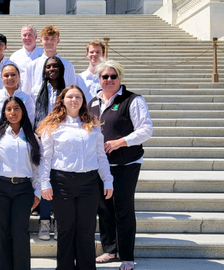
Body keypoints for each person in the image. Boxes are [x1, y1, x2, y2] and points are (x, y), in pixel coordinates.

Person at [37, 85, 114, 270]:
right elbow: (45, 157)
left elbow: (100, 155)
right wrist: (44, 183)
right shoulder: (52, 125)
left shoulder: (92, 124)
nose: (74, 100)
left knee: (86, 231)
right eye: (70, 96)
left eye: (78, 97)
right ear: (62, 100)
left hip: (89, 183)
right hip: (62, 182)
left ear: (83, 101)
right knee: (65, 230)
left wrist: (108, 179)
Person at [88, 60, 152, 270]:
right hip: (101, 165)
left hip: (126, 163)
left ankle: (126, 255)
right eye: (104, 77)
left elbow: (146, 130)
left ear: (120, 78)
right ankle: (110, 250)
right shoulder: (93, 102)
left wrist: (120, 141)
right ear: (98, 79)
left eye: (113, 76)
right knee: (104, 208)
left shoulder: (132, 100)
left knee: (123, 207)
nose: (108, 80)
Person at [0, 96, 41, 270]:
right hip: (0, 188)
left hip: (24, 189)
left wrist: (38, 191)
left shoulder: (32, 137)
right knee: (3, 232)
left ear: (23, 111)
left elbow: (36, 167)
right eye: (9, 109)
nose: (13, 112)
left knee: (21, 231)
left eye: (17, 108)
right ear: (4, 112)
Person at [33, 56, 66, 241]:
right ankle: (44, 221)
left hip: (62, 142)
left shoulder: (67, 91)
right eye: (48, 66)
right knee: (44, 180)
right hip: (42, 140)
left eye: (54, 66)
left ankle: (58, 220)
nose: (51, 69)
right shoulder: (37, 91)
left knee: (59, 183)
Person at [22, 25, 76, 99]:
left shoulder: (67, 65)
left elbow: (72, 92)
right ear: (41, 41)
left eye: (53, 39)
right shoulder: (32, 66)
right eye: (46, 39)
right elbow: (26, 94)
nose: (49, 42)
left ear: (58, 41)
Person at [0, 64, 35, 137]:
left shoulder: (26, 98)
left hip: (20, 137)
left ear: (19, 76)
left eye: (13, 75)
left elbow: (30, 121)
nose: (10, 78)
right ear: (1, 78)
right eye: (6, 76)